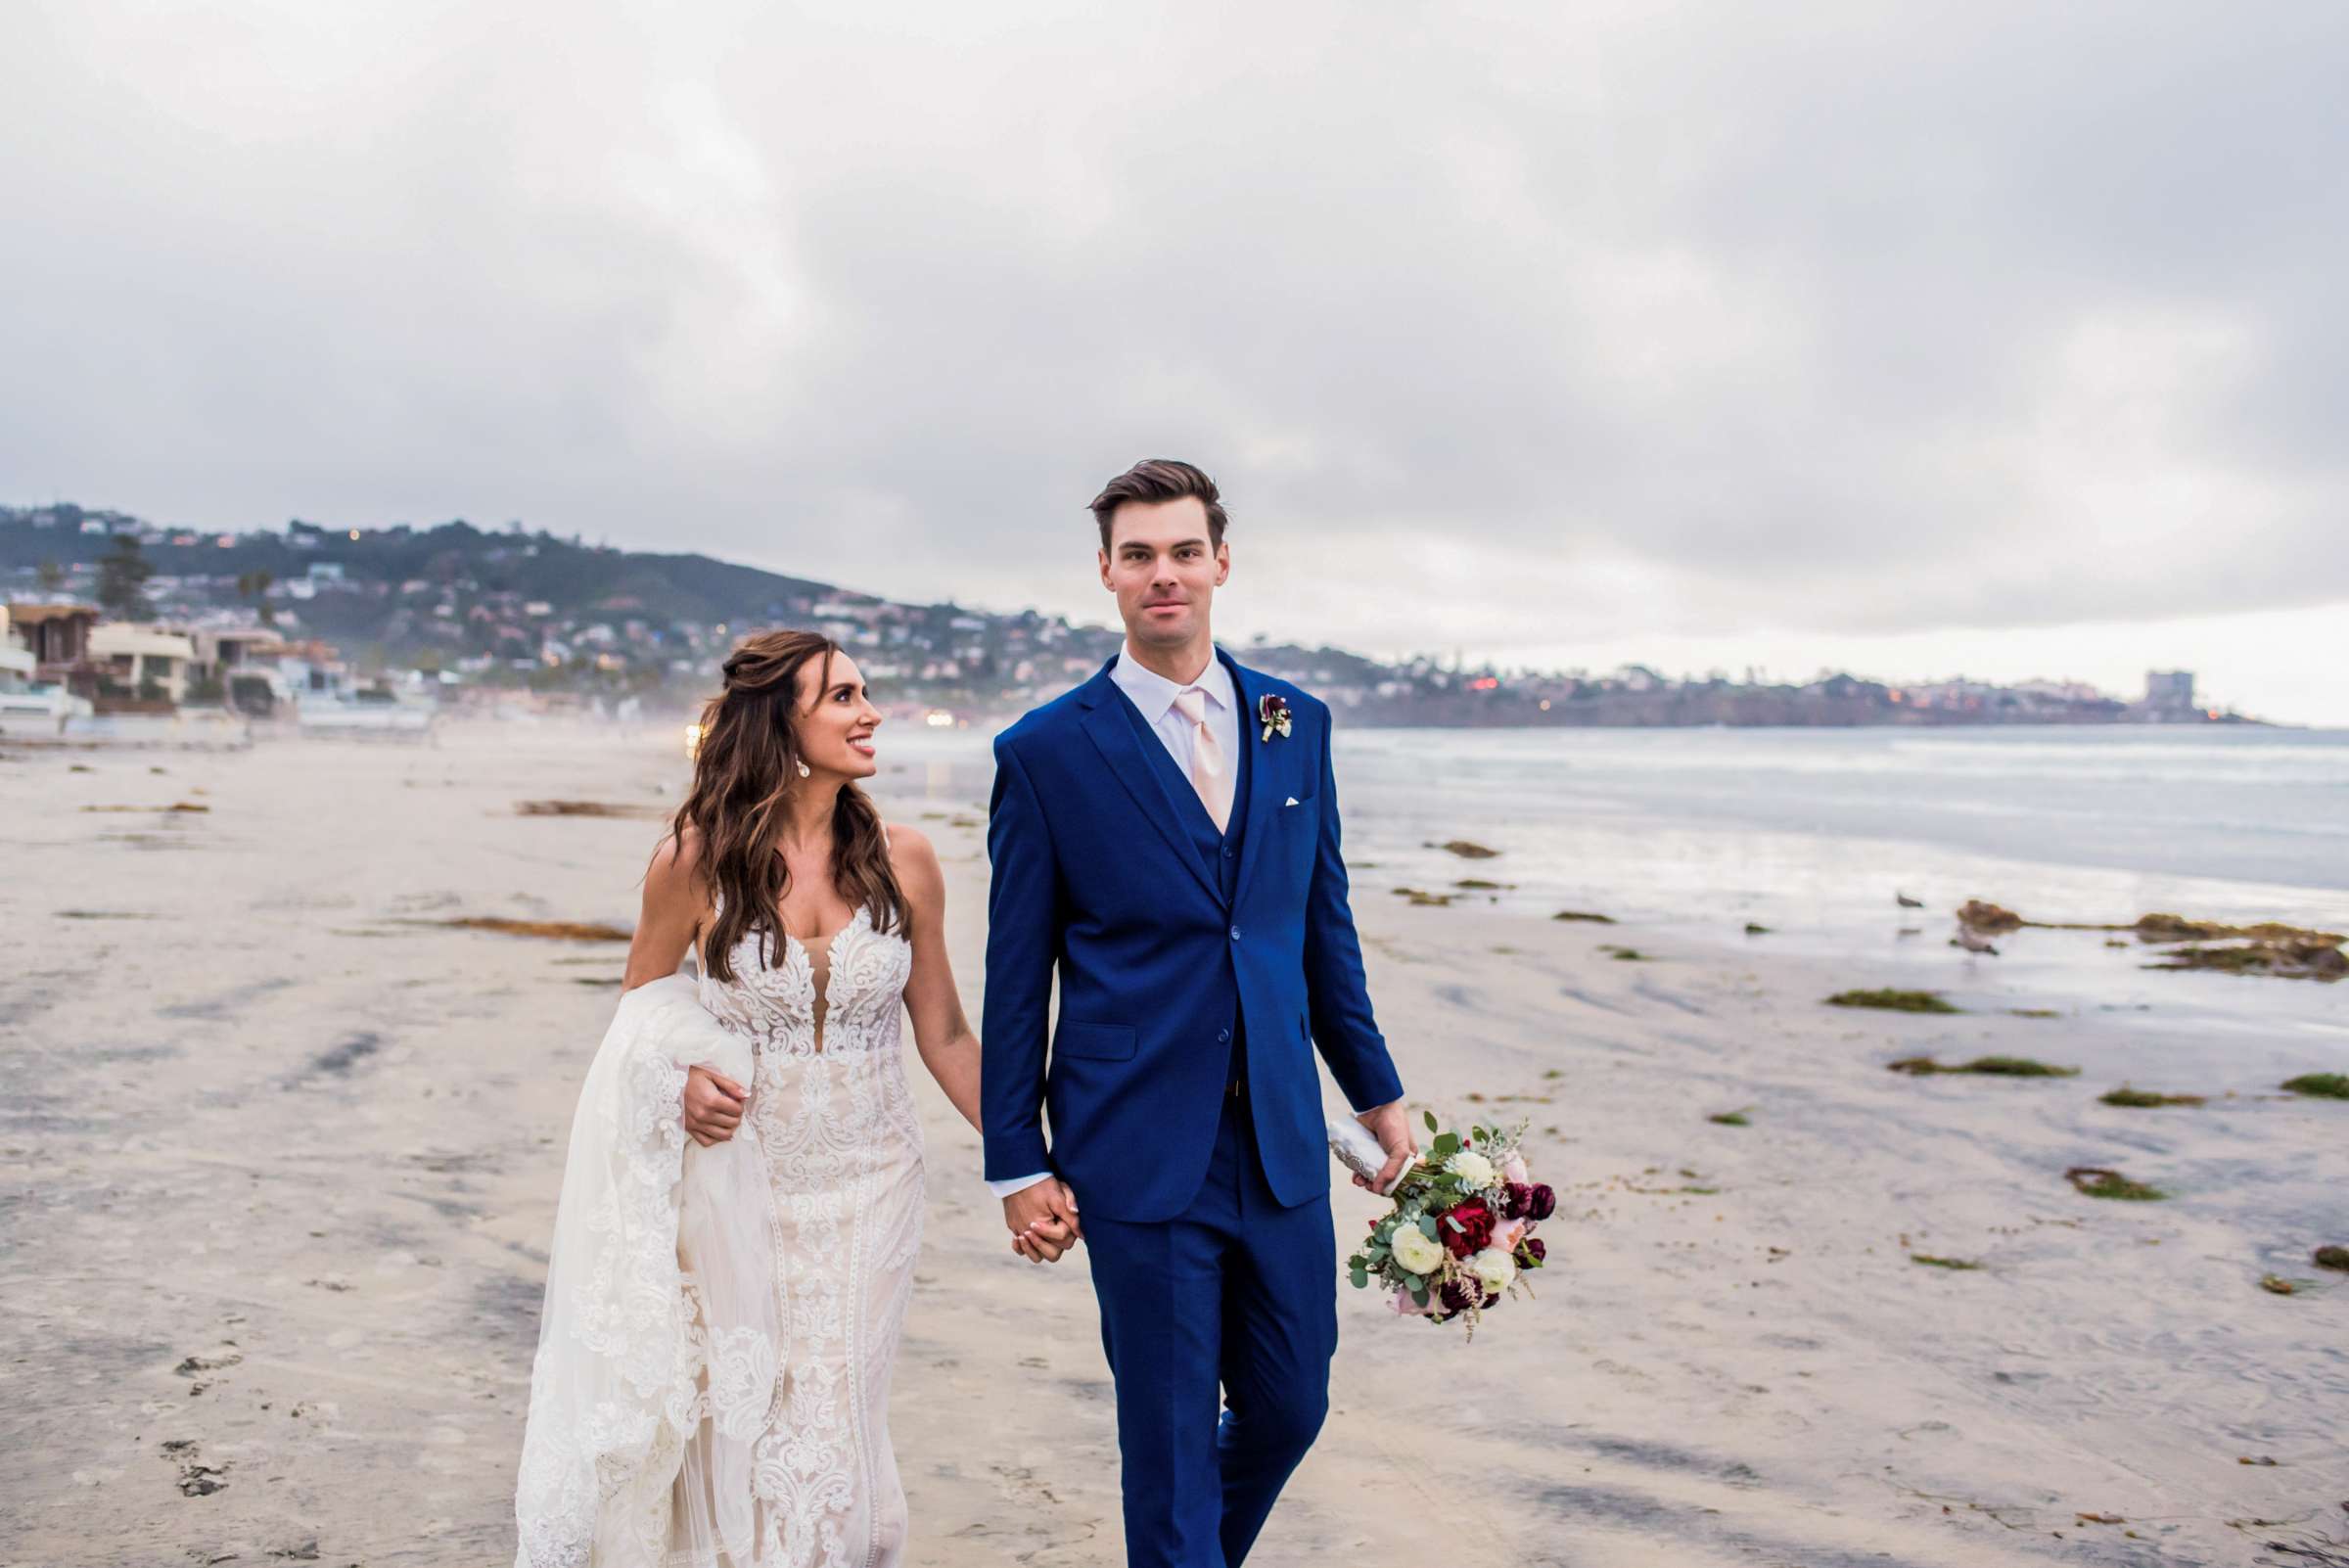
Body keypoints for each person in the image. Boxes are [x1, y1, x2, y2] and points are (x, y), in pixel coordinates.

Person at [513, 628, 1074, 1568]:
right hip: (739, 1188)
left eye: (865, 692)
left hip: (874, 1185)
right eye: (844, 697)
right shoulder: (696, 861)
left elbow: (943, 1035)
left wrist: (1032, 1161)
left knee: (835, 1428)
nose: (872, 712)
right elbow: (641, 1011)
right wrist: (681, 1082)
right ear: (783, 721)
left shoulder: (907, 859)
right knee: (740, 1426)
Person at [983, 458, 1415, 1567]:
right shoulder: (1044, 752)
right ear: (1106, 575)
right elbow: (1017, 974)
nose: (1163, 574)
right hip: (1135, 1146)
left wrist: (1378, 1089)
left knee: (1289, 1406)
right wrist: (1015, 1160)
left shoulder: (1295, 724)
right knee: (1169, 1447)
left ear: (1221, 562)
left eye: (1183, 552)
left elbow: (1322, 929)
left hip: (1278, 1140)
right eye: (1139, 556)